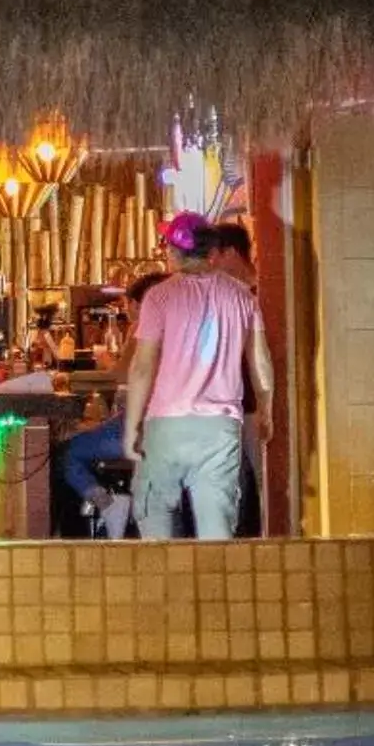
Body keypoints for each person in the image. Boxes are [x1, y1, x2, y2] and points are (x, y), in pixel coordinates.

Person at [121, 215, 272, 541]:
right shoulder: (242, 297)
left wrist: (133, 426)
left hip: (167, 425)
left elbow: (142, 367)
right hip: (220, 429)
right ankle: (214, 587)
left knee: (154, 515)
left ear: (174, 253)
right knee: (217, 527)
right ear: (212, 252)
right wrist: (265, 409)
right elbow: (260, 360)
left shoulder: (159, 297)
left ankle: (163, 586)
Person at [59, 272, 165, 538]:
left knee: (67, 452)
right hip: (168, 425)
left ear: (141, 305)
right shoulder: (177, 331)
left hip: (138, 429)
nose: (126, 312)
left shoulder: (142, 329)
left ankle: (109, 505)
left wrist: (66, 378)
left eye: (128, 305)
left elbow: (117, 377)